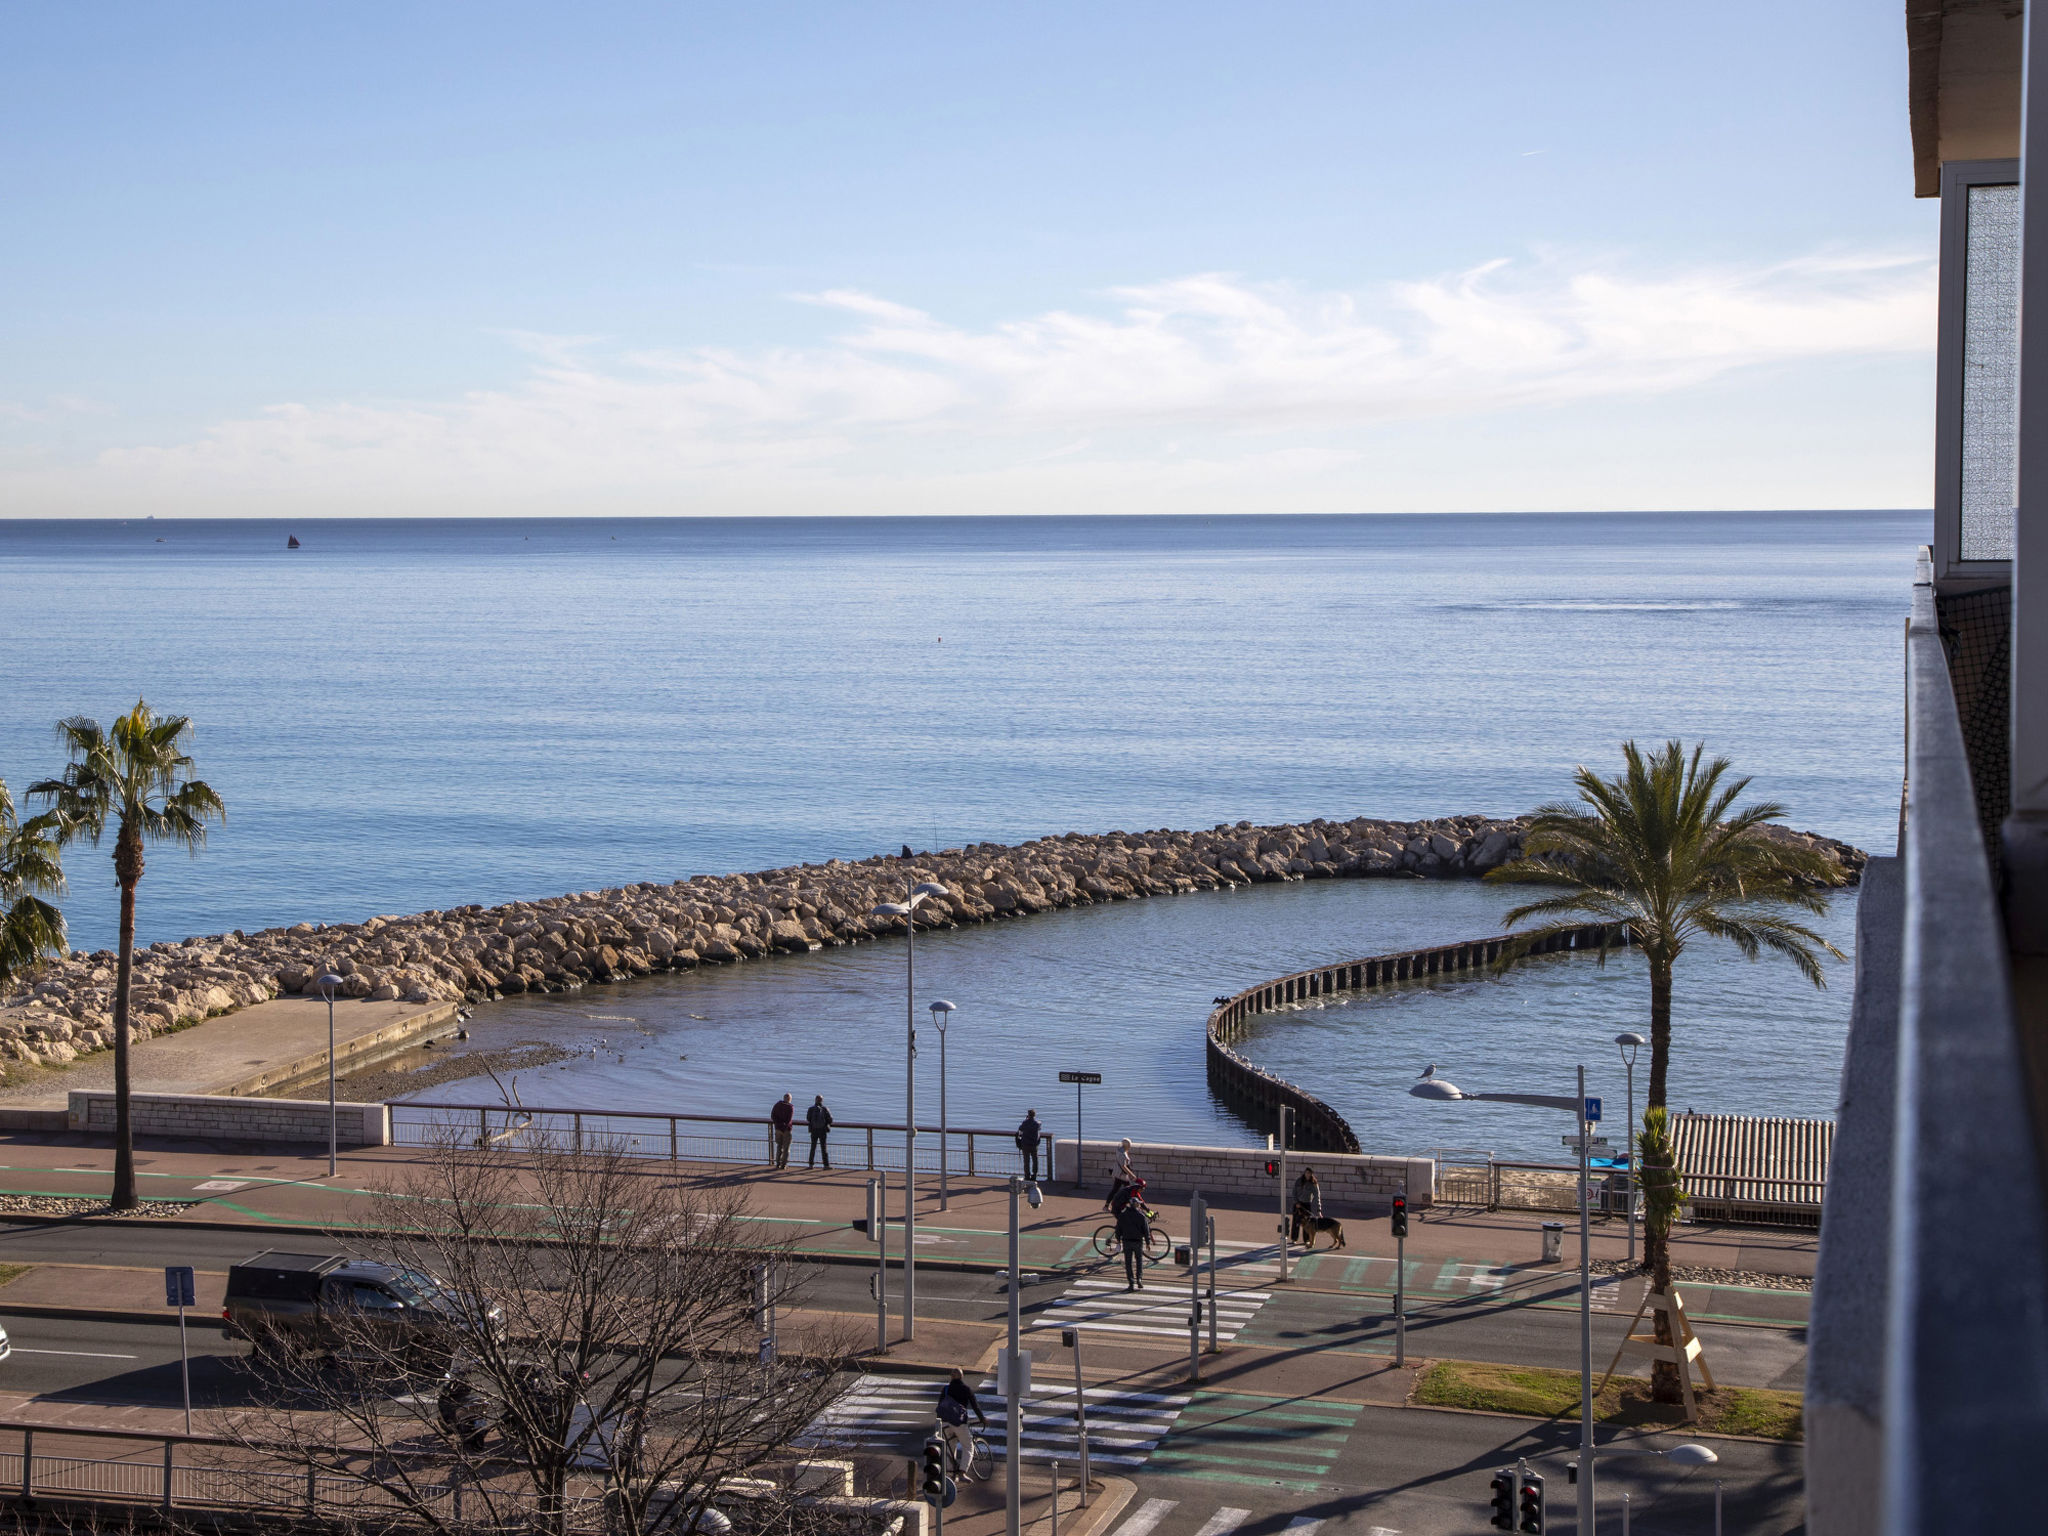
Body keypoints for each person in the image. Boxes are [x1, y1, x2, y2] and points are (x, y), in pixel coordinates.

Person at [935, 1367, 987, 1471]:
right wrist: (982, 1419)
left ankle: (950, 1472)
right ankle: (962, 1471)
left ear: (951, 1376)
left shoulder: (946, 1389)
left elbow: (940, 1406)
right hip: (959, 1423)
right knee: (968, 1446)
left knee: (950, 1447)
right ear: (962, 1376)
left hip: (945, 1423)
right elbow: (975, 1406)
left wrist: (939, 1423)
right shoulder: (966, 1389)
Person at [1115, 1191, 1152, 1291]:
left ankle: (1131, 1283)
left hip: (1126, 1241)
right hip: (1137, 1241)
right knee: (1139, 1261)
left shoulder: (1123, 1215)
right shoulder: (1141, 1216)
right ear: (1135, 1205)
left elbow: (1118, 1229)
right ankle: (1139, 1278)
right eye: (1138, 1204)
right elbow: (1146, 1230)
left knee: (1128, 1263)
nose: (1139, 1205)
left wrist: (1118, 1240)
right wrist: (1148, 1242)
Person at [1104, 1138, 1139, 1211]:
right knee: (1129, 1190)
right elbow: (1123, 1166)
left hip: (1118, 1174)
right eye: (1129, 1145)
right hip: (1121, 1175)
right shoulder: (1122, 1154)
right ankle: (1132, 1206)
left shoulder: (1119, 1150)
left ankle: (1107, 1206)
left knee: (1115, 1190)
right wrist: (1131, 1174)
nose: (1130, 1146)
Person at [1291, 1166, 1323, 1245]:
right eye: (1306, 1173)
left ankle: (1307, 1239)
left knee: (1307, 1223)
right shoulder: (1298, 1181)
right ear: (1304, 1173)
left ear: (1311, 1174)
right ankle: (1294, 1238)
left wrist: (1319, 1210)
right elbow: (1294, 1193)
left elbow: (1317, 1196)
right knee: (1296, 1222)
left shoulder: (1313, 1183)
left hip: (1307, 1204)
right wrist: (1296, 1202)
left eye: (1309, 1173)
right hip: (1298, 1204)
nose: (1308, 1175)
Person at [805, 1095, 834, 1169]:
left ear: (815, 1100)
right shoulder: (825, 1109)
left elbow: (808, 1118)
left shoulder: (811, 1109)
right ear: (822, 1100)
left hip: (813, 1130)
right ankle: (826, 1165)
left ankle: (811, 1164)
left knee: (813, 1147)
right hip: (822, 1130)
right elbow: (830, 1120)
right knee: (823, 1148)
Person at [1015, 1110, 1043, 1182]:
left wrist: (1026, 1119)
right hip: (1034, 1145)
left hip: (1025, 1145)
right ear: (1034, 1115)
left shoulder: (1025, 1123)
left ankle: (1027, 1176)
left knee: (1026, 1161)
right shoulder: (1037, 1124)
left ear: (1028, 1115)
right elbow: (1039, 1125)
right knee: (1035, 1160)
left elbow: (1020, 1129)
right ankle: (1034, 1175)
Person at [769, 1094, 795, 1169]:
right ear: (790, 1099)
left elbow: (773, 1116)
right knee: (786, 1148)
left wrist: (778, 1124)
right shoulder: (790, 1107)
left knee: (779, 1146)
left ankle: (778, 1163)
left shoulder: (777, 1105)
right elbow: (789, 1119)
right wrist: (784, 1126)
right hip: (786, 1130)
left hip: (778, 1129)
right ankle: (784, 1164)